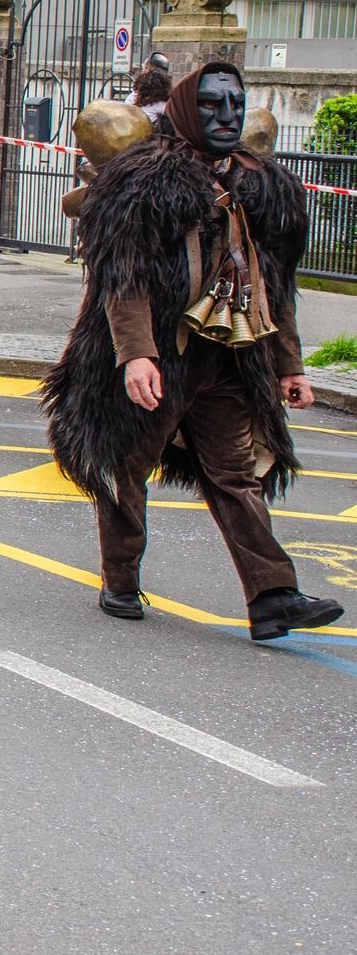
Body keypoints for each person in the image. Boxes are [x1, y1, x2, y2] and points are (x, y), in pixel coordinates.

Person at [42, 63, 344, 638]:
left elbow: (275, 287)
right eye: (210, 105)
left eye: (235, 104)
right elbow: (122, 279)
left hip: (232, 357)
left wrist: (290, 367)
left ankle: (274, 595)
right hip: (162, 352)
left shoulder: (264, 185)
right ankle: (121, 579)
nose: (226, 116)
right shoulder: (145, 180)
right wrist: (135, 355)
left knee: (236, 475)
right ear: (185, 110)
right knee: (127, 465)